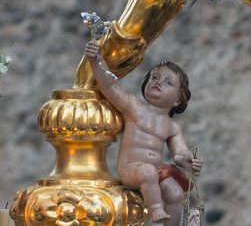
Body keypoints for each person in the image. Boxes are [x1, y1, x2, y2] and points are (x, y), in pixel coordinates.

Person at [84, 39, 199, 226]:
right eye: (154, 77)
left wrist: (187, 159)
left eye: (168, 82)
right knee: (147, 171)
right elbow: (110, 86)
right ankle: (155, 209)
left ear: (178, 99)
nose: (158, 82)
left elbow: (179, 152)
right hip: (132, 168)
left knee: (176, 193)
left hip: (157, 171)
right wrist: (96, 60)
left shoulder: (172, 126)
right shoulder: (134, 107)